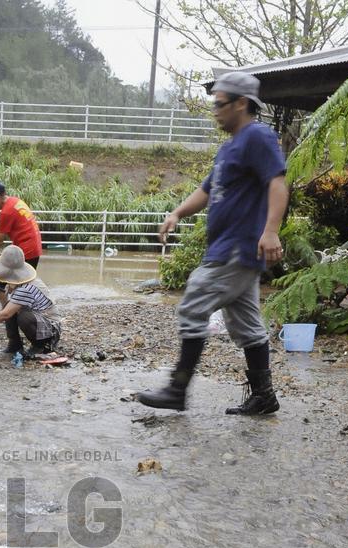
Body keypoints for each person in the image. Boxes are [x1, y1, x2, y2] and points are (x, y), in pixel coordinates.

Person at [138, 71, 289, 415]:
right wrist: (177, 213)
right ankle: (264, 396)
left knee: (193, 303)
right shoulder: (229, 148)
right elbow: (206, 191)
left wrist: (270, 231)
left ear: (241, 103)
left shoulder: (257, 136)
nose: (215, 110)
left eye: (220, 104)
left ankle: (177, 390)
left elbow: (277, 183)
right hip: (231, 246)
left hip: (238, 246)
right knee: (248, 325)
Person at [0, 245, 61, 357]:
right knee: (10, 307)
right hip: (40, 320)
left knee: (21, 316)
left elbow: (5, 315)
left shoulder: (26, 288)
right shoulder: (22, 277)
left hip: (51, 330)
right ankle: (14, 345)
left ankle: (41, 346)